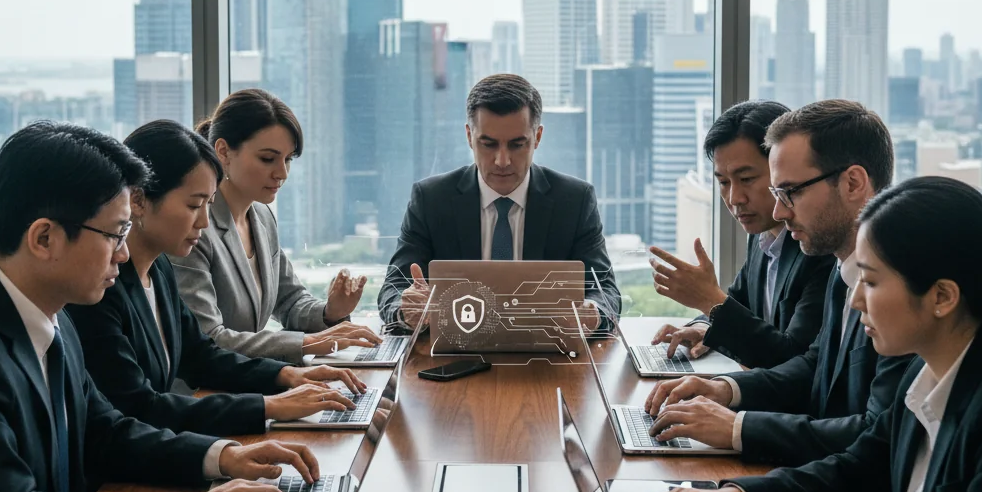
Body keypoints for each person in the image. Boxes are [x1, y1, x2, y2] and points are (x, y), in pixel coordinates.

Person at [0, 122, 323, 492]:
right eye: (113, 234)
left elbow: (108, 432)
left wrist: (224, 457)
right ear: (44, 237)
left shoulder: (54, 317)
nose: (120, 252)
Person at [639, 176, 982, 492]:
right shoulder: (925, 377)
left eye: (872, 280)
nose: (857, 298)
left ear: (942, 297)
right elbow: (857, 473)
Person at [645, 100, 912, 465]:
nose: (777, 212)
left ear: (853, 182)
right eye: (776, 193)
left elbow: (874, 436)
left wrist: (737, 428)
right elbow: (812, 365)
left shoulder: (906, 287)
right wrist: (725, 389)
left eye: (790, 192)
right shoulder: (843, 267)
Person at [67, 120, 366, 436]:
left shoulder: (158, 269)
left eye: (209, 205)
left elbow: (201, 355)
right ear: (139, 201)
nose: (204, 221)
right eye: (194, 205)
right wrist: (269, 407)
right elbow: (141, 406)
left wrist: (288, 376)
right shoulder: (101, 290)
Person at [377, 74, 621, 329]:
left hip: (551, 354)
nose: (502, 161)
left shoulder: (574, 200)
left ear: (537, 137)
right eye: (488, 144)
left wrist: (593, 312)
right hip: (450, 353)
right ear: (469, 135)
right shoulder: (431, 199)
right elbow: (392, 291)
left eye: (517, 145)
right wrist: (406, 310)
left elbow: (605, 291)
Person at [170, 88, 380, 364]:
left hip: (252, 382)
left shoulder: (261, 217)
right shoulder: (195, 230)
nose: (281, 173)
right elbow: (210, 338)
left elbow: (290, 301)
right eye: (268, 159)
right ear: (223, 152)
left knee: (382, 396)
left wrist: (330, 312)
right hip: (209, 394)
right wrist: (310, 342)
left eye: (288, 159)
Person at [650, 100, 834, 368]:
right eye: (723, 182)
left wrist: (709, 299)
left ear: (781, 168)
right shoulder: (762, 234)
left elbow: (791, 359)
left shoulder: (818, 245)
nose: (734, 198)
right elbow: (738, 302)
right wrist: (703, 326)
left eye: (746, 179)